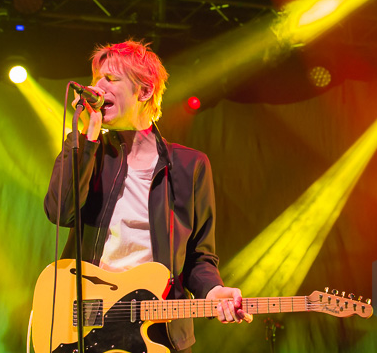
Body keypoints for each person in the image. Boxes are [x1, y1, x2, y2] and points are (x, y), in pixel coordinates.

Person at [44, 39, 252, 352]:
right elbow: (60, 212)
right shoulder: (89, 153)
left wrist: (213, 291)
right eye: (96, 79)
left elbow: (199, 255)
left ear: (144, 92)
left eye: (111, 79)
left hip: (159, 330)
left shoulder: (189, 166)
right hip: (89, 326)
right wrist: (88, 137)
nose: (98, 87)